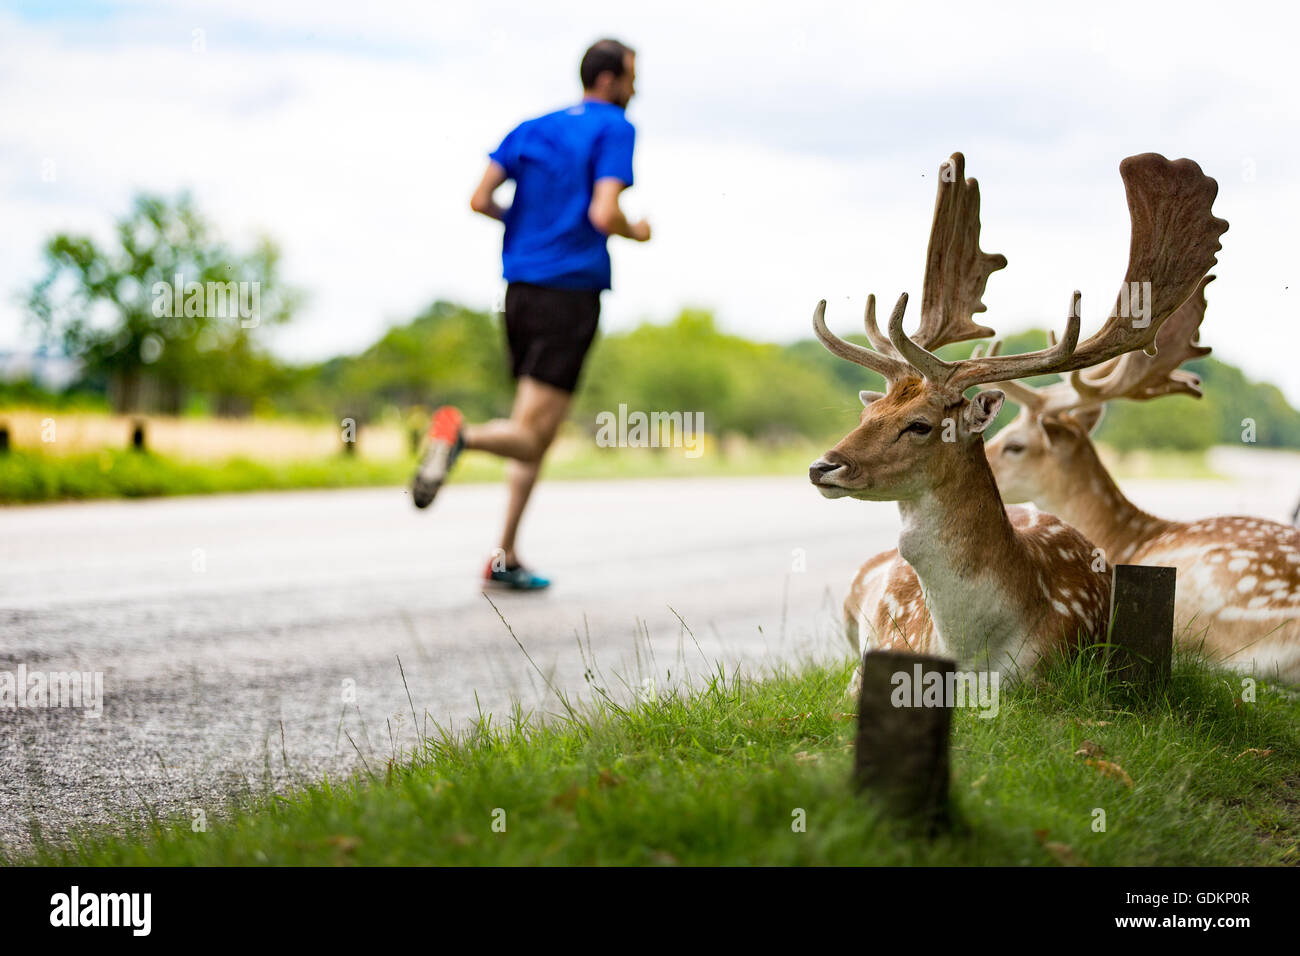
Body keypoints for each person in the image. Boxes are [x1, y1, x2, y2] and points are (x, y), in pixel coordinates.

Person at [411, 37, 651, 590]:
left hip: (517, 291)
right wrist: (636, 231)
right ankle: (458, 437)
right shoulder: (614, 127)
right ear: (610, 79)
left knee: (527, 426)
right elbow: (604, 211)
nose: (637, 89)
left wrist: (524, 227)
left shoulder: (532, 127)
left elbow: (479, 200)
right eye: (633, 77)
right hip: (567, 295)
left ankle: (506, 556)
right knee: (534, 438)